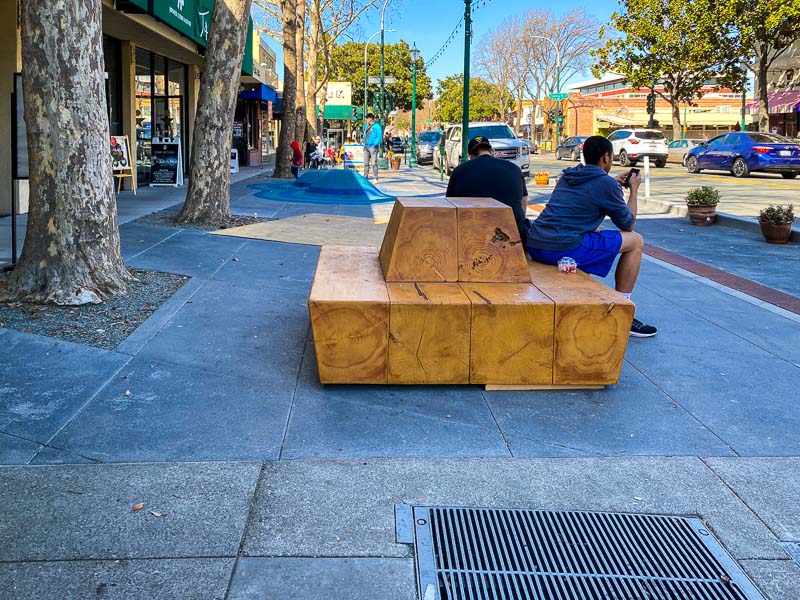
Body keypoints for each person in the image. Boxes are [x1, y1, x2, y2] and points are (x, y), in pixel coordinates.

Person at [526, 135, 656, 337]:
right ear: (606, 157)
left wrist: (611, 182)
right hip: (561, 248)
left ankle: (585, 306)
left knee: (595, 233)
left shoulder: (569, 175)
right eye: (611, 157)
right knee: (636, 241)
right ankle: (624, 310)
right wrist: (633, 191)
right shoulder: (606, 184)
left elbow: (585, 196)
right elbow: (628, 224)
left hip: (536, 243)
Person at [446, 135, 530, 244]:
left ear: (470, 156)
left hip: (472, 237)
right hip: (514, 236)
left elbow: (450, 207)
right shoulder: (514, 168)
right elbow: (523, 201)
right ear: (492, 152)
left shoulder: (459, 171)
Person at [363, 113, 382, 182]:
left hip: (373, 146)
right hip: (366, 146)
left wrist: (374, 144)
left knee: (374, 163)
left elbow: (379, 136)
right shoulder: (366, 126)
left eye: (367, 118)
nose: (366, 119)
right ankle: (365, 177)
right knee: (366, 163)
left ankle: (375, 178)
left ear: (370, 118)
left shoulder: (377, 126)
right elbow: (365, 135)